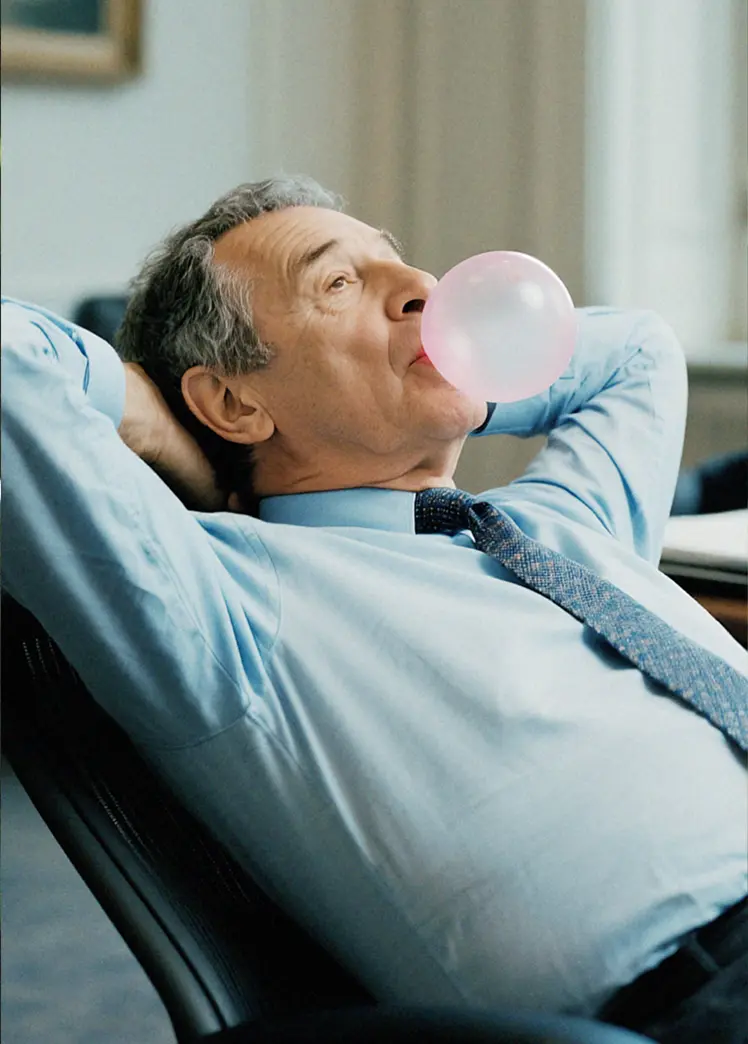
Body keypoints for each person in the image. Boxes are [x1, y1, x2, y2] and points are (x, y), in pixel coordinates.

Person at [3, 175, 746, 1044]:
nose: (425, 290)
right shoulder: (225, 608)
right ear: (236, 402)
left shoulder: (570, 525)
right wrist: (158, 421)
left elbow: (639, 352)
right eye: (338, 283)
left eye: (395, 259)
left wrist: (468, 366)